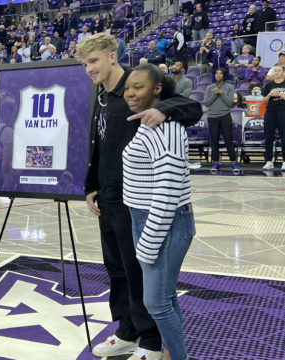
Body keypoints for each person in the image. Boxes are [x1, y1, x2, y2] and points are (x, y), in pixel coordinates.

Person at [76, 33, 202, 360]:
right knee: (116, 269)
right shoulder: (100, 96)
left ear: (112, 56)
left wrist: (166, 109)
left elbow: (191, 107)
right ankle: (127, 331)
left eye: (94, 61)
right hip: (107, 197)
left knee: (136, 270)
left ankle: (149, 340)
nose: (89, 68)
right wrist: (92, 186)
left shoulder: (137, 92)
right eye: (85, 63)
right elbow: (100, 145)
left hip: (135, 201)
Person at [122, 63, 195, 360]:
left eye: (138, 87)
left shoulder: (167, 129)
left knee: (156, 303)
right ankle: (170, 353)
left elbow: (168, 191)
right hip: (147, 219)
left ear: (157, 89)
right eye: (128, 87)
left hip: (164, 223)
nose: (130, 93)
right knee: (164, 298)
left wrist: (149, 242)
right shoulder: (150, 123)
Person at [204, 68, 240, 173]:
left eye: (220, 73)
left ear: (224, 75)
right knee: (214, 141)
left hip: (225, 116)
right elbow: (207, 103)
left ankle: (234, 163)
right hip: (212, 117)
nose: (218, 75)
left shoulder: (229, 87)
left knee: (228, 140)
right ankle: (216, 162)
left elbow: (229, 103)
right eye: (216, 73)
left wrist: (221, 93)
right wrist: (215, 94)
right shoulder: (209, 88)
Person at [262, 65, 285, 170]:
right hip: (270, 112)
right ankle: (268, 161)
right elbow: (264, 101)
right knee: (269, 137)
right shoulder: (268, 85)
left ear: (283, 72)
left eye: (279, 71)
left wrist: (279, 94)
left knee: (284, 137)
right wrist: (270, 95)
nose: (276, 72)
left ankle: (284, 161)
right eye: (275, 71)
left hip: (283, 112)